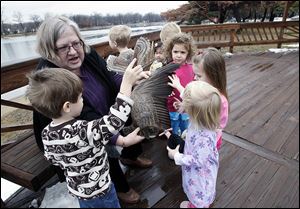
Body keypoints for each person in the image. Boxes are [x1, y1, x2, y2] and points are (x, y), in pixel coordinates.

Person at [34, 15, 152, 204]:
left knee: (126, 121)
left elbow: (108, 75)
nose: (73, 52)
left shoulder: (87, 54)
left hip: (109, 112)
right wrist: (118, 140)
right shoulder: (50, 81)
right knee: (101, 155)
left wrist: (129, 81)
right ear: (49, 50)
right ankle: (121, 188)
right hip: (90, 130)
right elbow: (88, 124)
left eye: (76, 43)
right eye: (64, 47)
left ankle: (130, 157)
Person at [25, 63, 144, 208]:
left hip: (80, 193)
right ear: (67, 107)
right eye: (81, 97)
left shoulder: (46, 134)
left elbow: (53, 159)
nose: (83, 100)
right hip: (102, 191)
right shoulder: (82, 130)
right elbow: (114, 121)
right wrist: (126, 83)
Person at [166, 81, 222, 208]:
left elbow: (198, 160)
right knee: (195, 192)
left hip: (200, 174)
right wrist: (182, 106)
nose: (183, 106)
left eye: (186, 105)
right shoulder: (202, 119)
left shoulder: (204, 137)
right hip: (197, 165)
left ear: (194, 111)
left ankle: (196, 205)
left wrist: (176, 156)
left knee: (199, 195)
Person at [168, 47, 229, 150]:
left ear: (213, 75)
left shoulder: (218, 100)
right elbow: (197, 109)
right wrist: (184, 106)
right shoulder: (205, 91)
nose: (195, 78)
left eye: (199, 76)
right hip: (197, 136)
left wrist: (178, 157)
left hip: (207, 142)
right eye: (194, 74)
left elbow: (212, 122)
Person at [164, 32, 196, 137]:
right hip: (171, 106)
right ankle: (175, 143)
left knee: (185, 127)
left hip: (186, 106)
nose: (178, 55)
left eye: (182, 52)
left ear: (188, 53)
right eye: (175, 51)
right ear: (170, 51)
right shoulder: (168, 68)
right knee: (174, 127)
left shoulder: (192, 68)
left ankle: (185, 144)